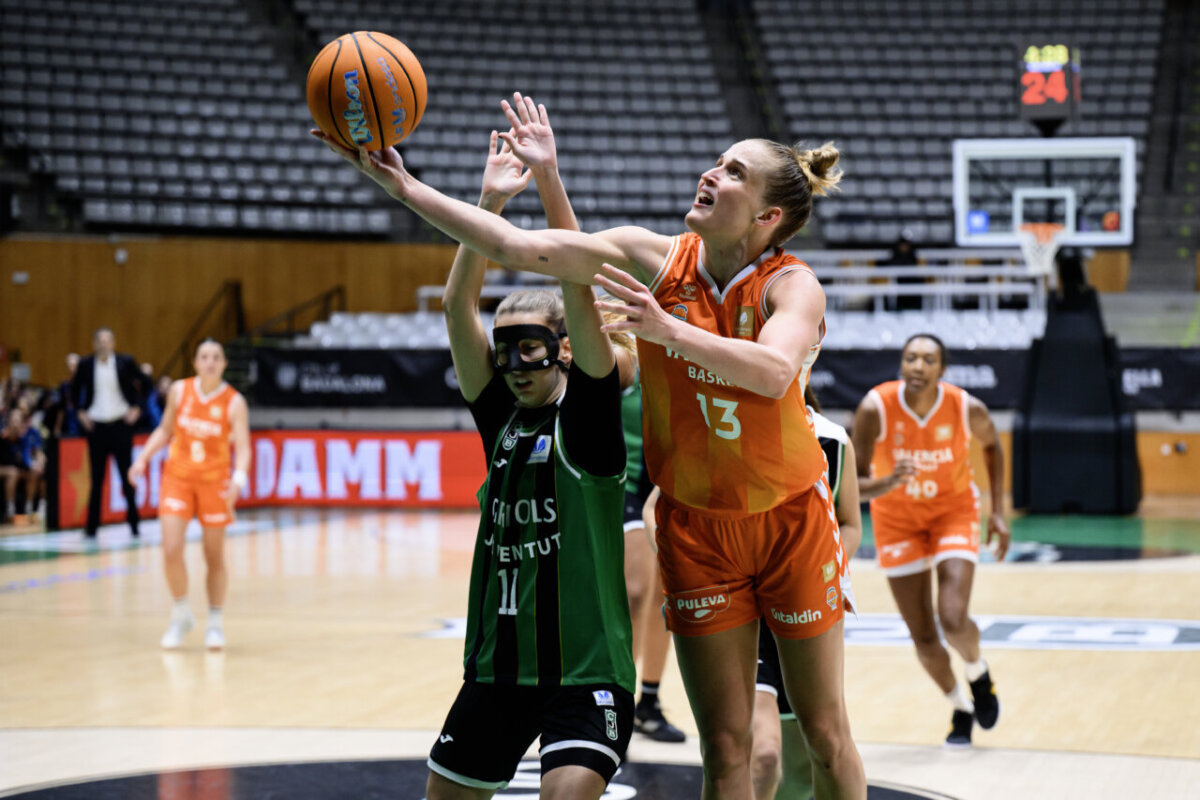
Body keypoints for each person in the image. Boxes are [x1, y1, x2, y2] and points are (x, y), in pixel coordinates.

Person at [315, 99, 865, 799]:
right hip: (697, 527)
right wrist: (404, 185)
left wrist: (666, 330)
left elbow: (773, 371)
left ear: (767, 217)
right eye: (716, 160)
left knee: (823, 733)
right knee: (724, 746)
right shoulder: (654, 255)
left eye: (732, 172)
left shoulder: (791, 284)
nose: (710, 172)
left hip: (790, 519)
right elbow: (520, 249)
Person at [426, 95, 635, 799]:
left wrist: (548, 182)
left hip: (585, 673)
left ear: (568, 352)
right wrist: (489, 201)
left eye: (530, 350)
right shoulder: (502, 422)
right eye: (505, 351)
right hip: (495, 670)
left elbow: (576, 279)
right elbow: (458, 310)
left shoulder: (589, 423)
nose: (513, 365)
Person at [850, 333, 1010, 748]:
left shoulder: (965, 408)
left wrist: (997, 511)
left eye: (928, 359)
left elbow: (993, 447)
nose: (918, 366)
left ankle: (978, 672)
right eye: (910, 358)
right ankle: (960, 707)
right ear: (901, 365)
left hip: (951, 513)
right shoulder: (875, 407)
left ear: (942, 369)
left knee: (953, 617)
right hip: (897, 520)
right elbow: (852, 482)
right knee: (923, 636)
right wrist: (888, 481)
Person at [751, 385, 862, 800]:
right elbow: (658, 506)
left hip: (808, 601)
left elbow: (850, 522)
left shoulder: (832, 439)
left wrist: (822, 568)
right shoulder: (723, 429)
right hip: (744, 606)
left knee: (822, 744)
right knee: (761, 755)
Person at [128, 339, 250, 650]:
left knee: (213, 556)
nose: (210, 362)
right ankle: (181, 613)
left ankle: (215, 622)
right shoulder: (179, 391)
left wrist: (237, 481)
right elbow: (165, 430)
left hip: (214, 483)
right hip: (178, 479)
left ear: (223, 364)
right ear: (195, 363)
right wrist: (143, 458)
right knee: (170, 549)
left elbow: (245, 449)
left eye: (216, 357)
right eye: (204, 357)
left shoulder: (234, 402)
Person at [620, 370, 686, 743]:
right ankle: (619, 704)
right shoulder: (619, 358)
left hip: (669, 484)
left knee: (664, 596)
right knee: (635, 592)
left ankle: (648, 701)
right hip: (625, 487)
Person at [70, 328, 147, 538]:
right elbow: (73, 391)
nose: (104, 345)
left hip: (121, 425)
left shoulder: (125, 362)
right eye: (100, 341)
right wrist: (80, 413)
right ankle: (92, 527)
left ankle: (134, 524)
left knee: (126, 476)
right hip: (97, 427)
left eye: (107, 341)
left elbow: (147, 383)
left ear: (113, 343)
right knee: (96, 479)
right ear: (94, 344)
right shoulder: (86, 365)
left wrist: (137, 408)